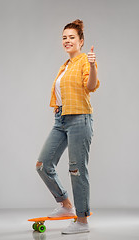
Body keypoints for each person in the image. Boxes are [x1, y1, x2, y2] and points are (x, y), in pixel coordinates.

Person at [36, 19, 100, 234]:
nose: (67, 41)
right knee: (43, 165)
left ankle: (82, 222)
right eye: (64, 38)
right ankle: (66, 206)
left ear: (81, 41)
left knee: (76, 170)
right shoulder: (65, 66)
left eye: (72, 37)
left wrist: (92, 65)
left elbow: (90, 86)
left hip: (79, 119)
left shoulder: (83, 61)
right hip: (61, 120)